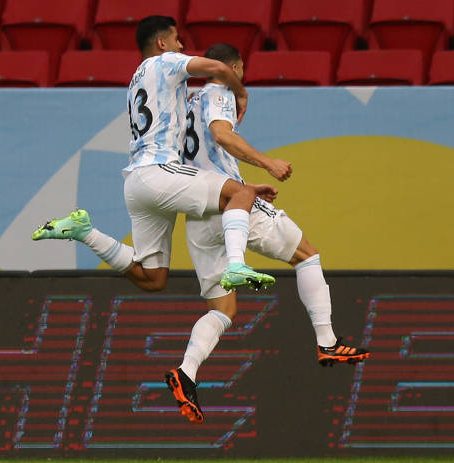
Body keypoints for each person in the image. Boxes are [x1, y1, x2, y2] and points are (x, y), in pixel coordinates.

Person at [31, 16, 277, 422]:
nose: (183, 46)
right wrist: (240, 91)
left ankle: (84, 231)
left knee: (152, 278)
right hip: (160, 172)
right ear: (162, 43)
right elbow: (216, 67)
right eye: (178, 40)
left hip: (137, 183)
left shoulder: (136, 79)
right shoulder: (165, 63)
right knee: (241, 190)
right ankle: (236, 265)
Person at [172, 43, 370, 423]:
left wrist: (246, 186)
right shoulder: (219, 91)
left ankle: (186, 372)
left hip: (198, 212)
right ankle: (327, 342)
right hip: (227, 204)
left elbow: (204, 155)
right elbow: (222, 134)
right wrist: (267, 163)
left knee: (223, 309)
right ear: (233, 67)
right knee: (306, 254)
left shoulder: (188, 103)